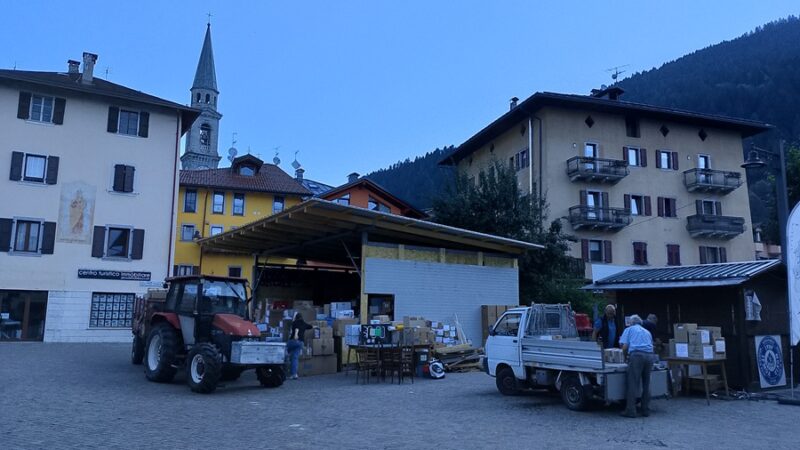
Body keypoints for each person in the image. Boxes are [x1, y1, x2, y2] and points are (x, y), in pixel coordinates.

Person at [619, 314, 656, 418]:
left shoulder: (629, 329)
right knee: (646, 383)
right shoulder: (647, 331)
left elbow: (625, 346)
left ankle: (631, 410)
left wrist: (625, 357)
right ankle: (645, 410)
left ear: (631, 323)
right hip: (649, 356)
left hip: (637, 356)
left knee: (633, 383)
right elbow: (652, 345)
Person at [287, 312, 312, 380]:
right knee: (295, 358)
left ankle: (284, 370)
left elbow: (296, 329)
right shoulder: (304, 323)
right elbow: (310, 326)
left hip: (294, 341)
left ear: (296, 317)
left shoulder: (295, 322)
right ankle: (294, 374)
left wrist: (296, 334)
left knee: (283, 351)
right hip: (301, 343)